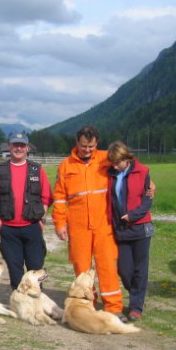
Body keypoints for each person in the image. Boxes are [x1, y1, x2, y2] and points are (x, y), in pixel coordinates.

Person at [52, 126, 126, 319]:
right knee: (81, 267)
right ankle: (87, 304)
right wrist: (60, 223)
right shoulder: (66, 166)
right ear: (77, 143)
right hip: (77, 226)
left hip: (104, 224)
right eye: (84, 146)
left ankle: (113, 307)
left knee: (107, 265)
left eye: (91, 146)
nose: (87, 150)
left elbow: (131, 167)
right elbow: (59, 198)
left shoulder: (105, 158)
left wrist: (148, 182)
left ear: (97, 144)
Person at [0, 132, 53, 290]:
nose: (18, 148)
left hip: (32, 227)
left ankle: (36, 301)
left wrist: (41, 221)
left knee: (35, 268)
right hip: (8, 230)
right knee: (15, 271)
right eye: (15, 145)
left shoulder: (37, 170)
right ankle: (19, 302)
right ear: (9, 147)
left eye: (22, 145)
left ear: (27, 148)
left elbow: (46, 196)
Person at [106, 141, 153, 322]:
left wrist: (133, 215)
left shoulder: (143, 172)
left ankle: (136, 307)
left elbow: (148, 201)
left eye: (118, 162)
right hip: (121, 229)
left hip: (140, 227)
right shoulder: (110, 174)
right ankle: (136, 294)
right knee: (125, 270)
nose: (115, 166)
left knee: (140, 269)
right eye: (112, 163)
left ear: (127, 158)